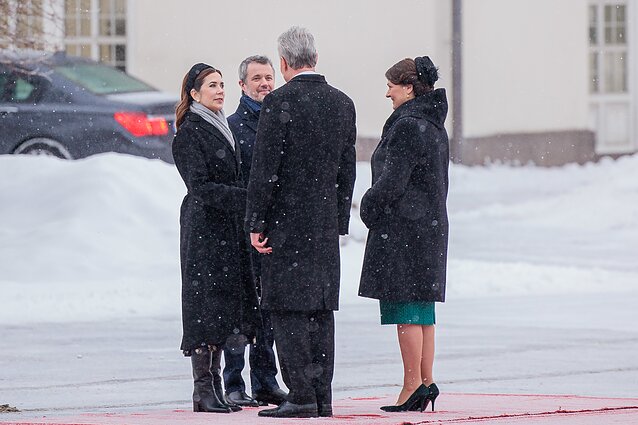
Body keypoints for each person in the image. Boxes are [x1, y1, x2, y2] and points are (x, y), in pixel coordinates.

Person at [245, 26, 357, 418]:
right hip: (323, 224)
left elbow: (265, 169)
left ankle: (301, 395)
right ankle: (322, 395)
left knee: (288, 308)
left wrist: (255, 221)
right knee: (321, 310)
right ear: (316, 58)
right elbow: (348, 170)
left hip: (286, 224)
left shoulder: (279, 103)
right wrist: (339, 219)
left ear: (284, 62)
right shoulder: (342, 103)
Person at [358, 56, 449, 413]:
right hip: (428, 225)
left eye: (391, 86)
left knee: (406, 307)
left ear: (409, 88)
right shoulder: (432, 123)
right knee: (422, 308)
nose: (387, 93)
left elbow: (391, 181)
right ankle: (426, 381)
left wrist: (369, 206)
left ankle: (411, 385)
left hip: (405, 228)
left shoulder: (408, 125)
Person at [172, 63, 260, 414]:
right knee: (204, 304)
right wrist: (245, 196)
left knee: (224, 304)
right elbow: (201, 187)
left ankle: (217, 385)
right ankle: (203, 389)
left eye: (222, 84)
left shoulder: (220, 125)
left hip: (226, 227)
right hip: (204, 228)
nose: (220, 90)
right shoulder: (190, 132)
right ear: (194, 94)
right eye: (212, 85)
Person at [223, 55, 287, 407]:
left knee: (268, 309)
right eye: (257, 78)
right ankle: (233, 382)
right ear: (242, 85)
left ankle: (265, 380)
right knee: (239, 310)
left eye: (269, 76)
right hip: (238, 232)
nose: (265, 83)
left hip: (272, 232)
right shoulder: (232, 127)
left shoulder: (281, 121)